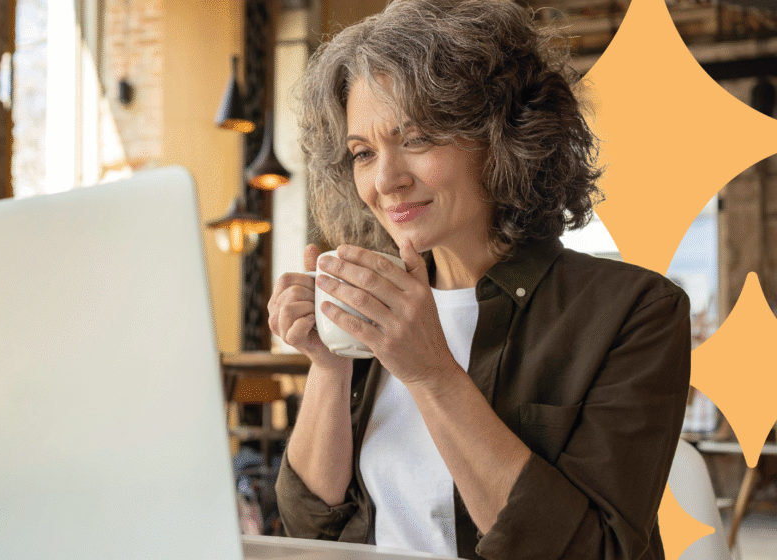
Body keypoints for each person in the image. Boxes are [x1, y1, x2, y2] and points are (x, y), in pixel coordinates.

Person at [266, 1, 691, 559]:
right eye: (363, 153)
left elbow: (593, 552)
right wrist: (330, 363)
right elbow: (311, 531)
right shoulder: (377, 302)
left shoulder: (635, 310)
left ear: (503, 137)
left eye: (417, 139)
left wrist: (432, 374)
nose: (386, 180)